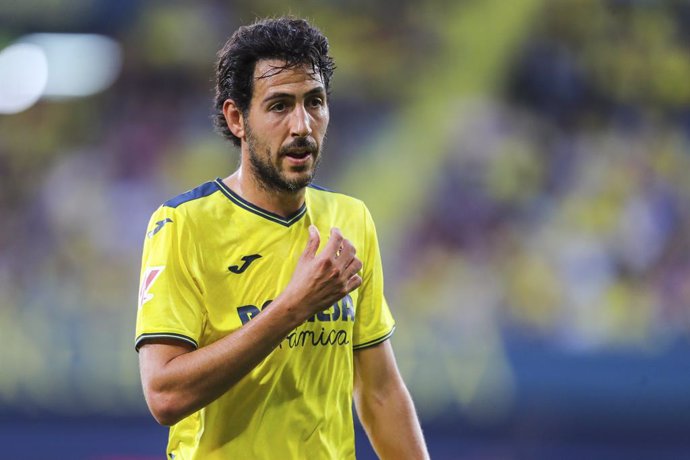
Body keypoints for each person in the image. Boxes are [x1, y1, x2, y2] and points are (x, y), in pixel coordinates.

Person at [135, 16, 429, 460]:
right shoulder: (183, 225)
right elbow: (165, 396)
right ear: (237, 118)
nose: (302, 127)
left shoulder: (349, 220)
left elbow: (379, 391)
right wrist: (292, 307)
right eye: (279, 106)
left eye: (314, 102)